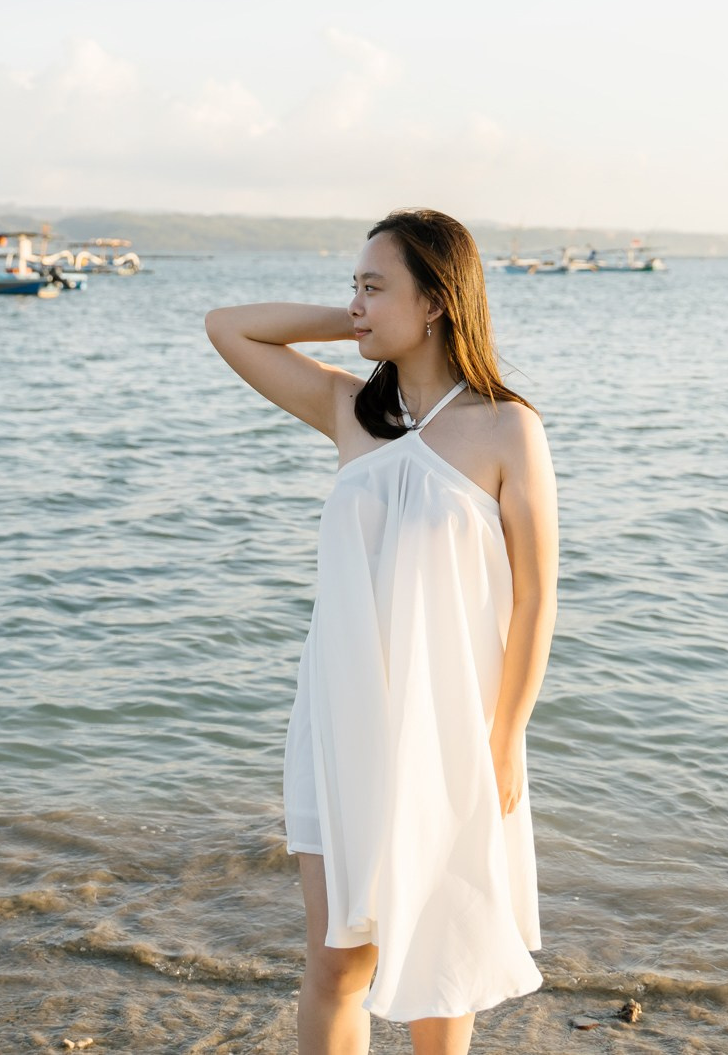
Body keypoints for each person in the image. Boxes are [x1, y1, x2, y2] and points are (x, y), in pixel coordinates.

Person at [205, 208, 559, 1055]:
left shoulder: (507, 427)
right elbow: (228, 327)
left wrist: (505, 736)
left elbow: (537, 597)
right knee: (339, 960)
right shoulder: (350, 410)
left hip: (450, 730)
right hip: (339, 722)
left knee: (443, 962)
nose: (356, 301)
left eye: (374, 286)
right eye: (352, 287)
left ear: (436, 301)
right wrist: (363, 322)